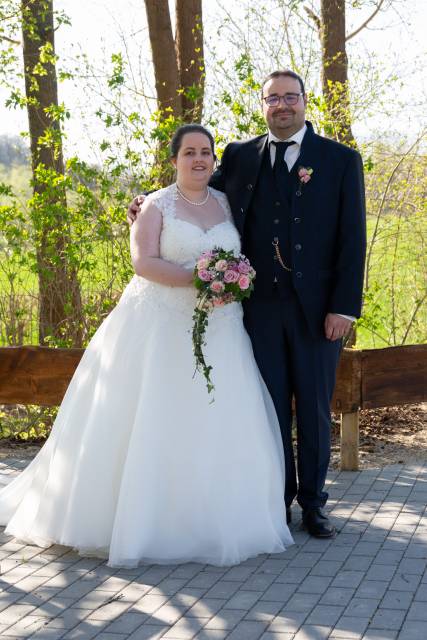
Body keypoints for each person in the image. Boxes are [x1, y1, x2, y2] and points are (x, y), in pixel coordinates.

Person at [0, 124, 293, 567]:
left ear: (215, 161)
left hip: (222, 329)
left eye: (206, 152)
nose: (199, 159)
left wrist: (229, 285)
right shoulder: (156, 205)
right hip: (161, 327)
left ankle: (216, 514)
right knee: (155, 415)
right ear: (174, 159)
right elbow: (144, 263)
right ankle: (142, 519)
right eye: (189, 152)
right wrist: (202, 281)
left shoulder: (229, 204)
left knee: (219, 416)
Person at [128, 70, 366, 538]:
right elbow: (194, 188)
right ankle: (275, 500)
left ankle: (314, 505)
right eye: (273, 98)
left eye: (290, 97)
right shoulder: (239, 156)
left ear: (304, 102)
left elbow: (352, 238)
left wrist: (344, 306)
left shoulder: (340, 160)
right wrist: (145, 203)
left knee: (314, 408)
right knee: (269, 407)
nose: (282, 105)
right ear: (263, 105)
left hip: (320, 310)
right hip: (255, 307)